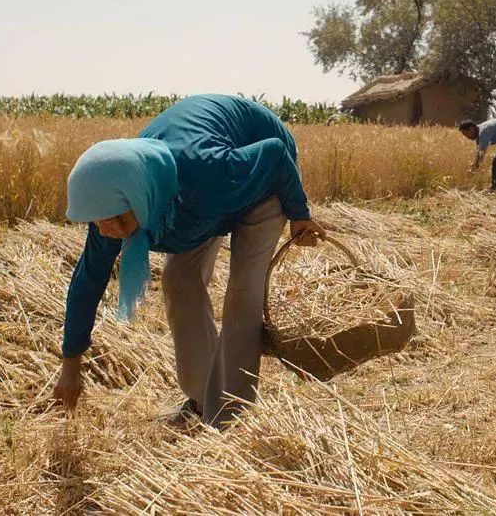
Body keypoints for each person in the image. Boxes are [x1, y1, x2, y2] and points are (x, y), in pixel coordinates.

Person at [53, 94, 325, 429]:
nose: (105, 229)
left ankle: (230, 418)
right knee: (179, 280)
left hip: (262, 180)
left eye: (110, 218)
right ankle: (201, 401)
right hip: (196, 202)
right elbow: (87, 282)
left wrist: (300, 215)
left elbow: (274, 154)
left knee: (243, 294)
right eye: (95, 221)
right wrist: (70, 366)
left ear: (137, 195)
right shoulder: (115, 204)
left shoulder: (207, 171)